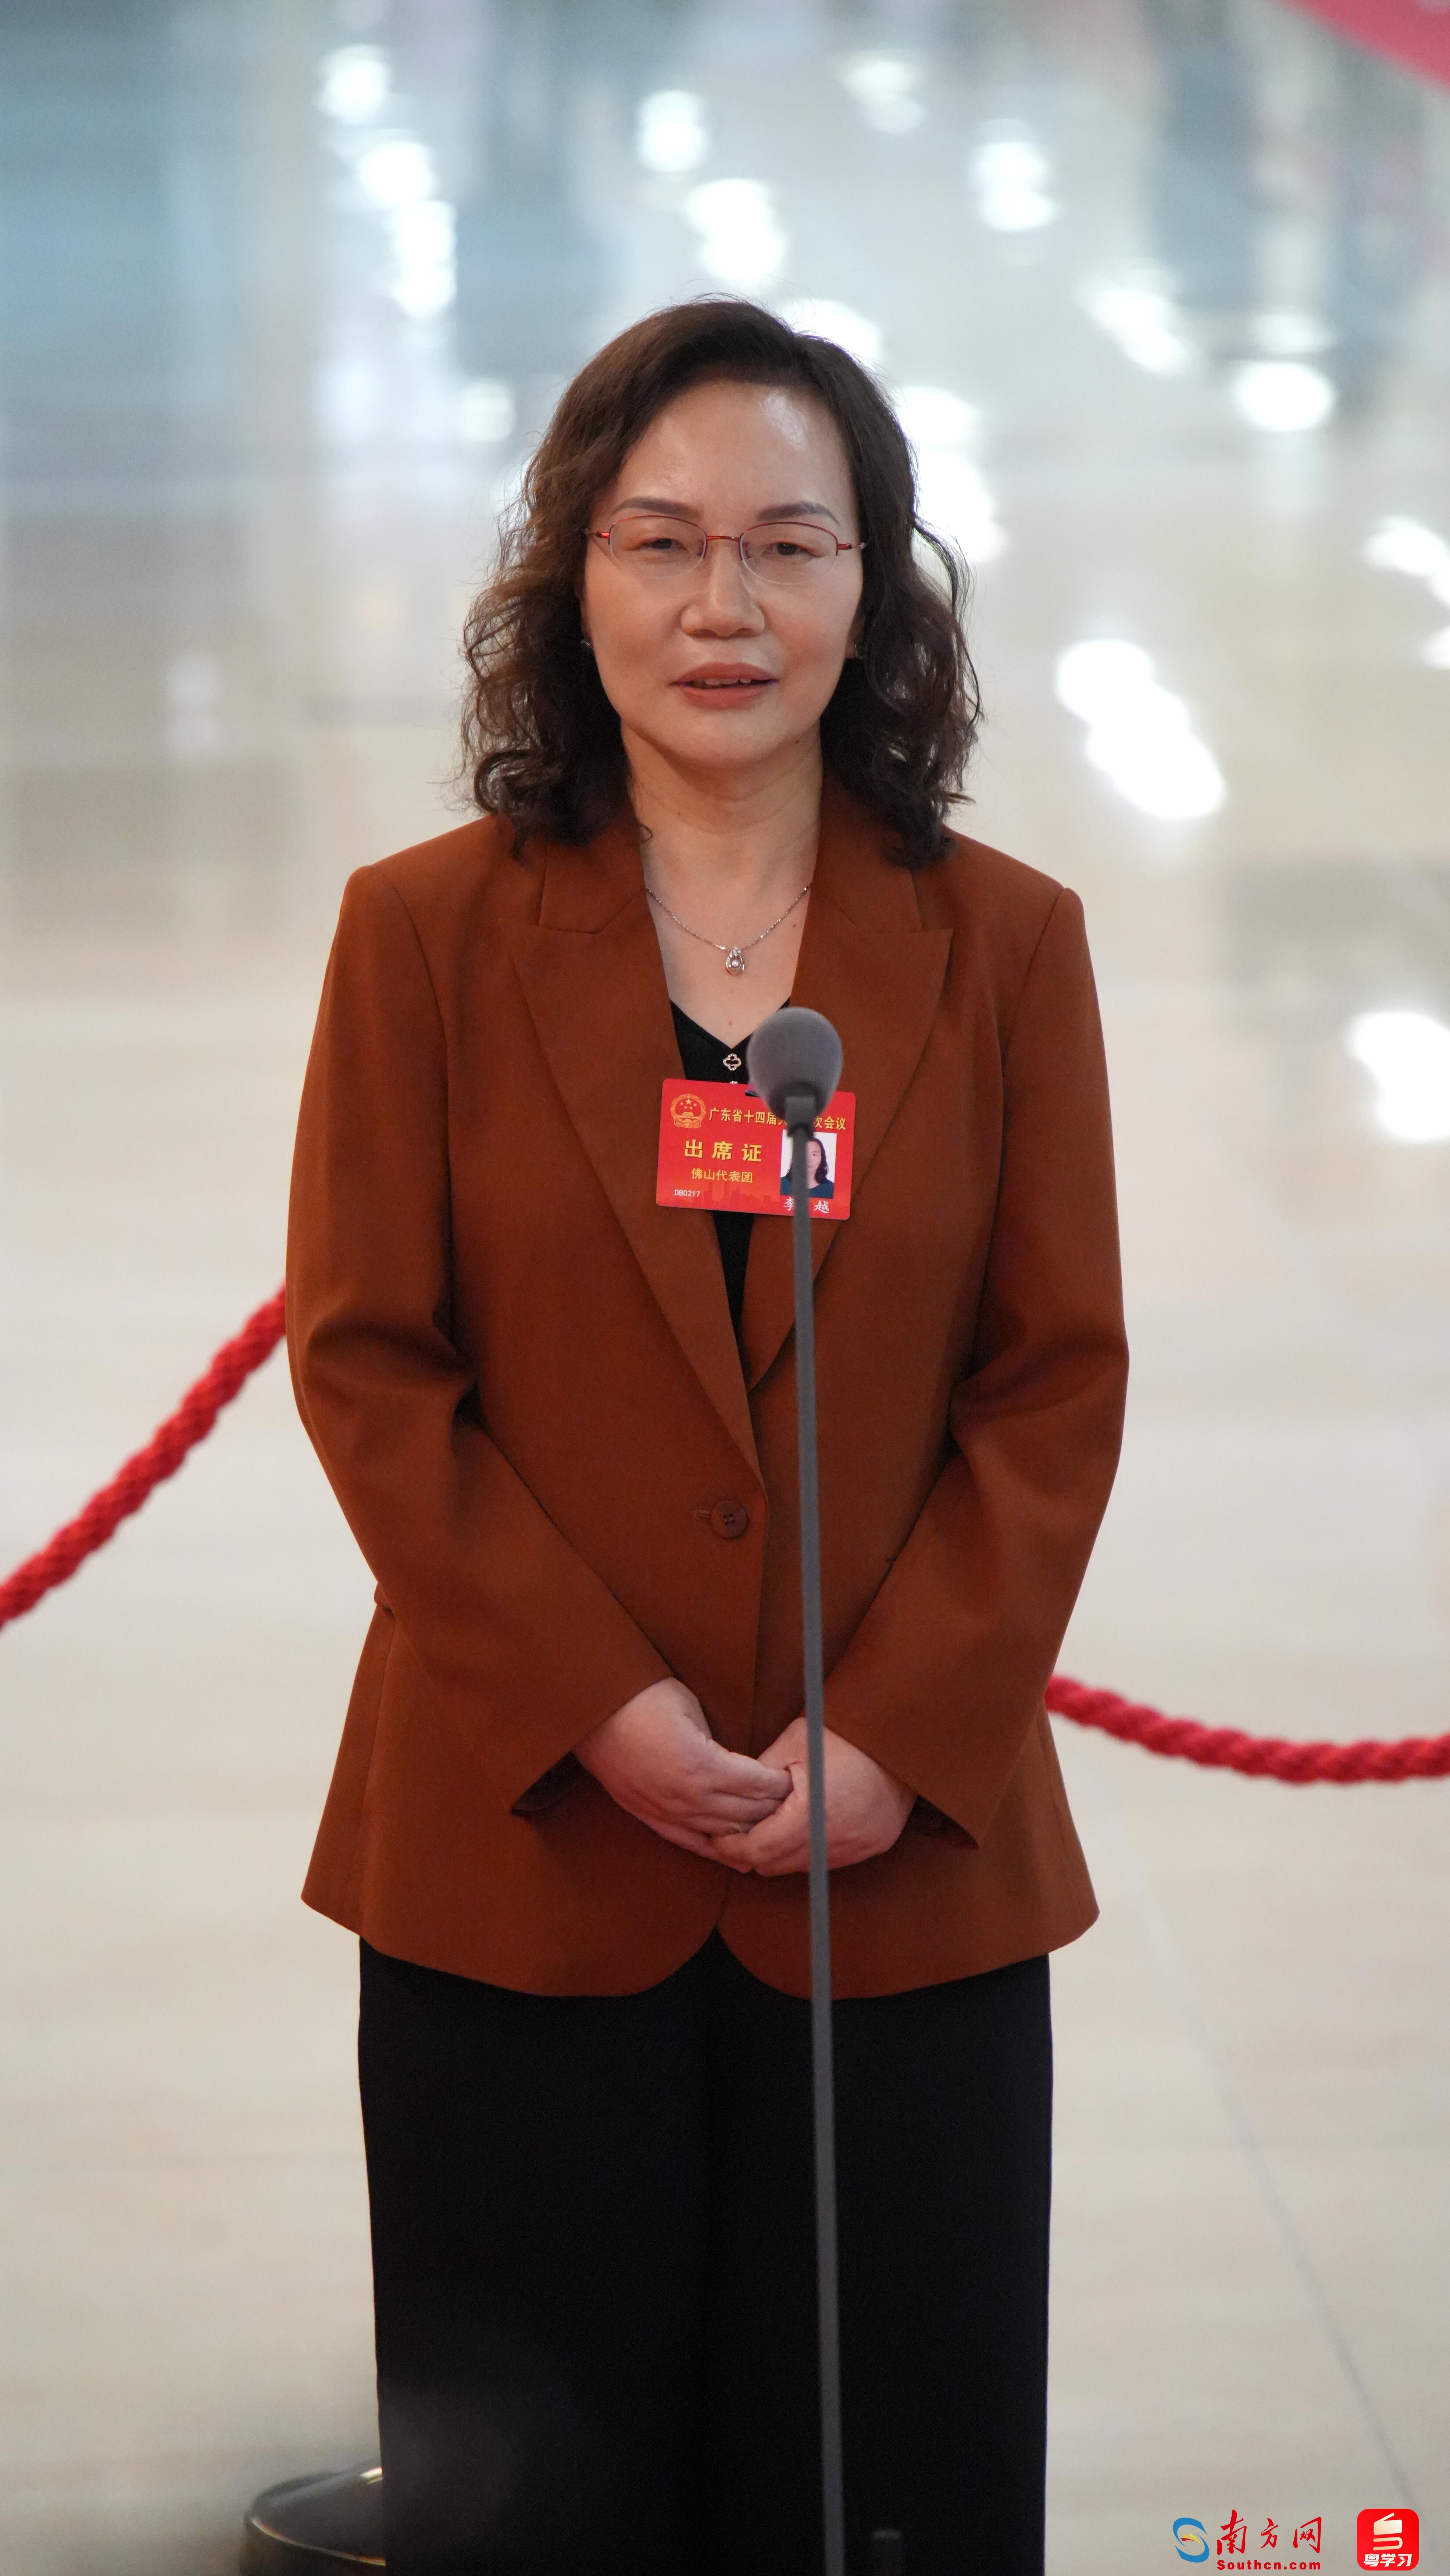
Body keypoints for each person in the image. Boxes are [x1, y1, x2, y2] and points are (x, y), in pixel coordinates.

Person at [285, 296, 1128, 2576]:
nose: (722, 605)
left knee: (889, 2481)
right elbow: (370, 1362)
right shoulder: (423, 938)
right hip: (526, 1844)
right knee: (541, 2507)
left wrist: (900, 1730)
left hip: (901, 1865)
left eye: (787, 544)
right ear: (570, 577)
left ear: (875, 583)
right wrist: (603, 1706)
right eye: (661, 543)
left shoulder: (1004, 945)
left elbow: (1051, 1378)